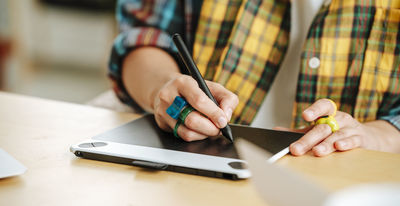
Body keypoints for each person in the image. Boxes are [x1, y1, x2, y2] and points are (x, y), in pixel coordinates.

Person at [108, 0, 400, 156]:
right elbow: (143, 36)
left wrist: (380, 134)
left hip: (349, 187)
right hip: (201, 162)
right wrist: (162, 87)